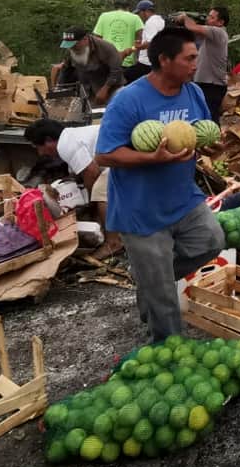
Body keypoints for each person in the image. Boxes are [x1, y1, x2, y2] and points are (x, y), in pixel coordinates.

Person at [94, 27, 223, 342]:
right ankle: (168, 349)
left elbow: (197, 135)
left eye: (196, 57)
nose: (195, 65)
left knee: (212, 241)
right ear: (164, 60)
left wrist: (208, 147)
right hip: (141, 208)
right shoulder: (128, 99)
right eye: (189, 58)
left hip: (183, 199)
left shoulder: (194, 92)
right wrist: (152, 158)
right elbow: (105, 155)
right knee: (164, 304)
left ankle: (151, 280)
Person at [25, 118, 120, 257]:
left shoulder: (66, 144)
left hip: (122, 158)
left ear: (49, 140)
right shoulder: (70, 135)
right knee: (94, 187)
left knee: (100, 192)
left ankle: (113, 243)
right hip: (117, 155)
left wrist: (92, 204)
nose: (40, 153)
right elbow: (81, 172)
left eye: (38, 147)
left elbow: (92, 172)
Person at [181, 6, 230, 117]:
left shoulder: (218, 32)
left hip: (212, 86)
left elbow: (192, 27)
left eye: (212, 17)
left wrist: (184, 17)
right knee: (202, 117)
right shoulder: (211, 35)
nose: (208, 19)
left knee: (209, 119)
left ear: (221, 22)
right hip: (205, 84)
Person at [56, 27, 124, 105]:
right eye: (69, 46)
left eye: (74, 45)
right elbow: (66, 70)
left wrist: (105, 89)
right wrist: (59, 90)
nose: (71, 48)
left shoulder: (106, 48)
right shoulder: (71, 50)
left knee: (118, 104)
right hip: (87, 89)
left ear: (85, 39)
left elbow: (116, 71)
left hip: (111, 88)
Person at [93, 0, 144, 71]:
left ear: (115, 7)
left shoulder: (104, 16)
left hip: (106, 59)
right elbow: (141, 37)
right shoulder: (135, 17)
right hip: (126, 60)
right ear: (128, 8)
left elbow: (96, 38)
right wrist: (133, 49)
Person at [125, 0, 165, 83]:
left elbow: (151, 42)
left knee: (123, 77)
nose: (139, 16)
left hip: (146, 63)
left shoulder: (150, 22)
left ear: (145, 11)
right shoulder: (160, 20)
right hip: (155, 62)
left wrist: (138, 46)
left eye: (139, 13)